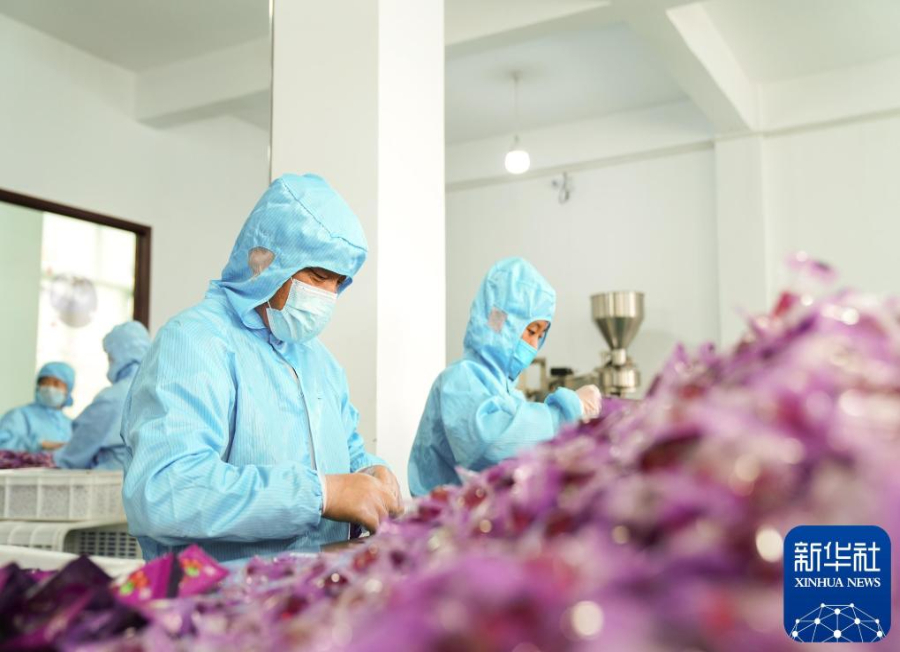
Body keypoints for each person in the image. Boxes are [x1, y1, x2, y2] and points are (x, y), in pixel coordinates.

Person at [121, 173, 402, 562]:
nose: (327, 295)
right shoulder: (194, 342)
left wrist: (370, 471)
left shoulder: (319, 361)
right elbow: (166, 490)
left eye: (338, 282)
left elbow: (346, 449)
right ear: (264, 261)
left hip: (313, 586)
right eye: (319, 276)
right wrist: (321, 494)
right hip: (215, 592)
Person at [408, 257, 602, 496]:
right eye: (530, 331)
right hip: (444, 517)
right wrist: (567, 411)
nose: (534, 345)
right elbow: (491, 445)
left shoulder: (509, 394)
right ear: (499, 321)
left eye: (540, 335)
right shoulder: (459, 381)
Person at [54, 321, 151, 470]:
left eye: (110, 356)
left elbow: (76, 454)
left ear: (119, 355)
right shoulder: (157, 391)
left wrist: (55, 459)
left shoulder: (113, 398)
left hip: (111, 481)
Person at [0, 362, 75, 452]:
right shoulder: (20, 415)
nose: (50, 388)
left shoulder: (70, 425)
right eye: (44, 383)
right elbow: (3, 444)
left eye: (56, 384)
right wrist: (39, 444)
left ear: (68, 390)